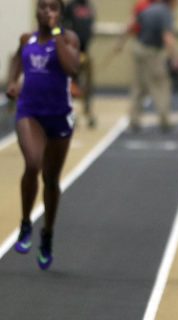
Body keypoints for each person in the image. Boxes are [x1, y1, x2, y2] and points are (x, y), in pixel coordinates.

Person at [5, 0, 80, 269]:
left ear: (60, 13)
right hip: (30, 112)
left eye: (54, 8)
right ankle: (26, 223)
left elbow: (72, 68)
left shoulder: (68, 38)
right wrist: (13, 81)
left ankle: (46, 233)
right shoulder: (27, 38)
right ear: (36, 11)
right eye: (43, 7)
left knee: (51, 179)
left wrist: (56, 33)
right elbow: (16, 59)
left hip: (59, 115)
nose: (48, 11)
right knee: (33, 163)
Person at [128, 0, 178, 132]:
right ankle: (165, 121)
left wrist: (119, 43)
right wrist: (175, 57)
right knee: (161, 85)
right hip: (153, 53)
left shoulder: (148, 8)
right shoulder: (165, 12)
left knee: (139, 86)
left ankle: (134, 120)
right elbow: (167, 37)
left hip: (140, 49)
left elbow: (131, 25)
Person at [64, 0, 96, 128]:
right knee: (72, 84)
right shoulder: (70, 7)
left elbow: (90, 28)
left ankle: (88, 111)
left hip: (85, 52)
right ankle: (71, 113)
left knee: (87, 84)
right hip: (72, 52)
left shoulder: (89, 6)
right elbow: (64, 28)